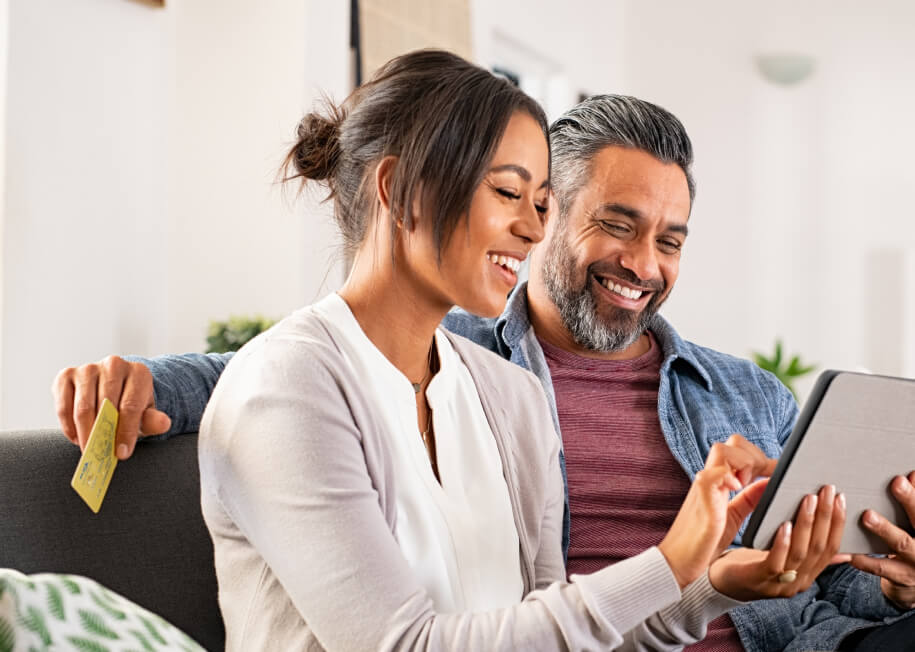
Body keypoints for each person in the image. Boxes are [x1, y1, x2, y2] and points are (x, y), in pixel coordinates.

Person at [53, 86, 914, 650]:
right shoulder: (440, 354)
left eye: (670, 239)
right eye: (612, 224)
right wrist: (141, 383)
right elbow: (276, 375)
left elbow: (820, 583)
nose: (643, 263)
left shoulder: (734, 395)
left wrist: (877, 577)